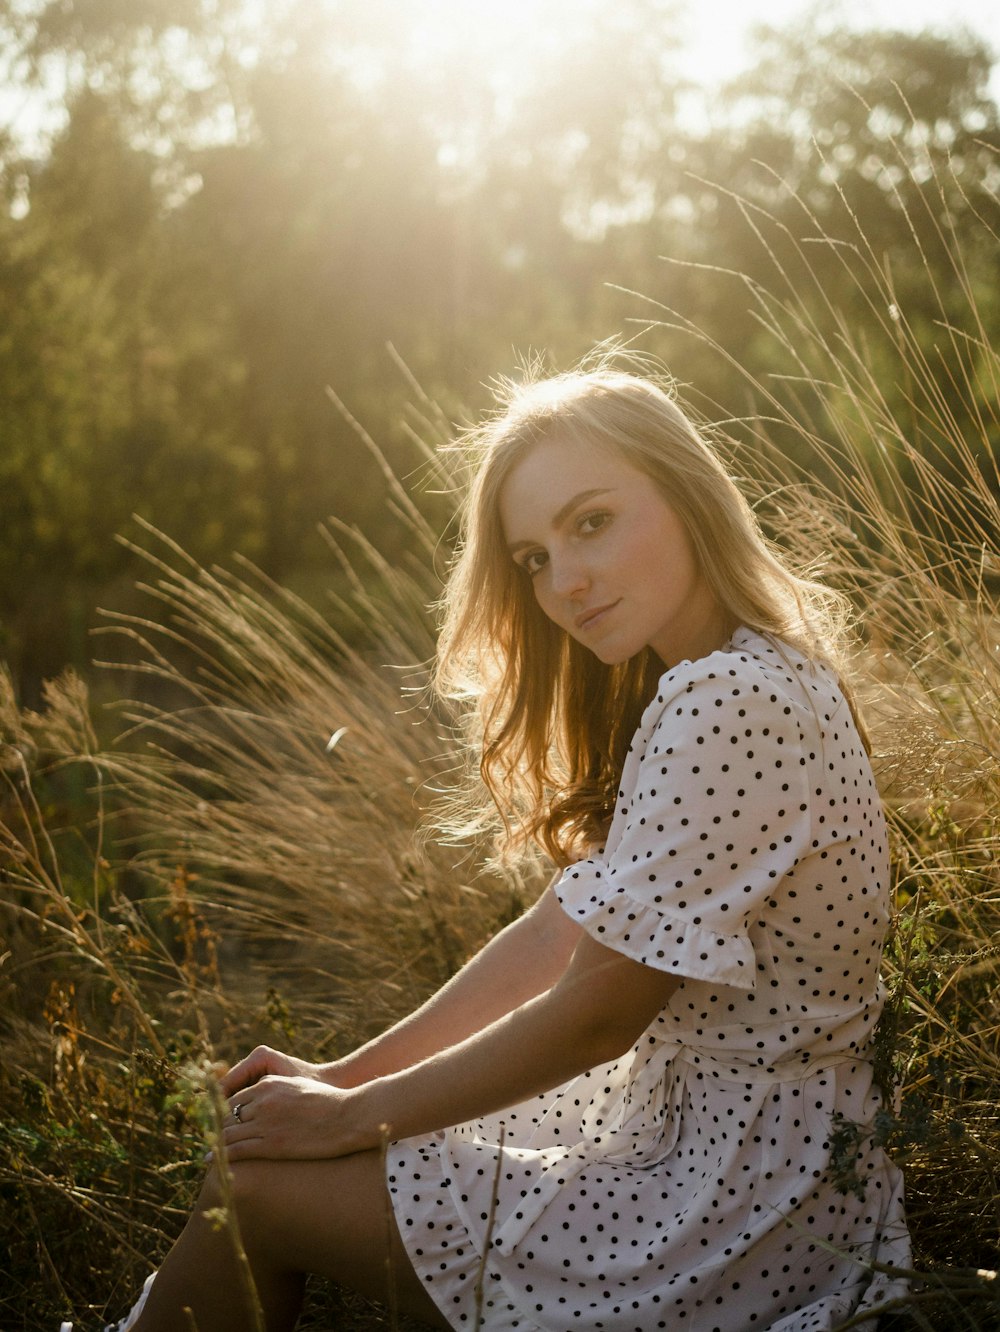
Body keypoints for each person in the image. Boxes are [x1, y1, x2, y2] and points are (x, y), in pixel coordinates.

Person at [94, 363, 910, 1331]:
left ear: (688, 496)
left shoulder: (726, 700)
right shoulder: (739, 672)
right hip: (739, 1149)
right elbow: (559, 931)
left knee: (256, 1191)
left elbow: (594, 1016)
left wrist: (352, 1117)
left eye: (592, 522)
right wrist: (341, 1080)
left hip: (733, 1201)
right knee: (270, 1156)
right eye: (532, 557)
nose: (564, 583)